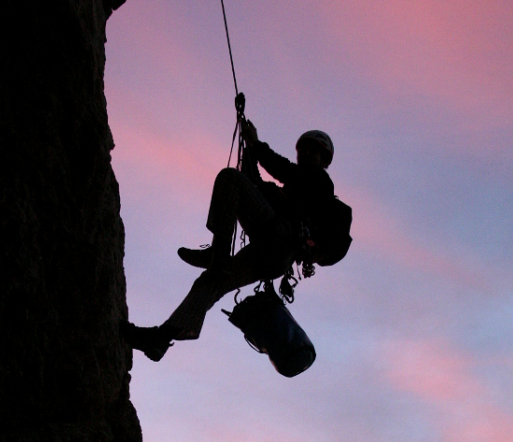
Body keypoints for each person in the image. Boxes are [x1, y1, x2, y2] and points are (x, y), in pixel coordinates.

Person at [122, 121, 345, 361]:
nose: (308, 154)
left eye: (315, 151)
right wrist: (250, 153)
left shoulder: (320, 183)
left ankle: (218, 253)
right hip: (272, 252)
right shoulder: (289, 192)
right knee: (212, 281)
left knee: (229, 178)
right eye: (305, 149)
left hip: (279, 240)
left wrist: (255, 144)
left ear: (325, 160)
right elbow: (255, 186)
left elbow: (283, 169)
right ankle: (160, 339)